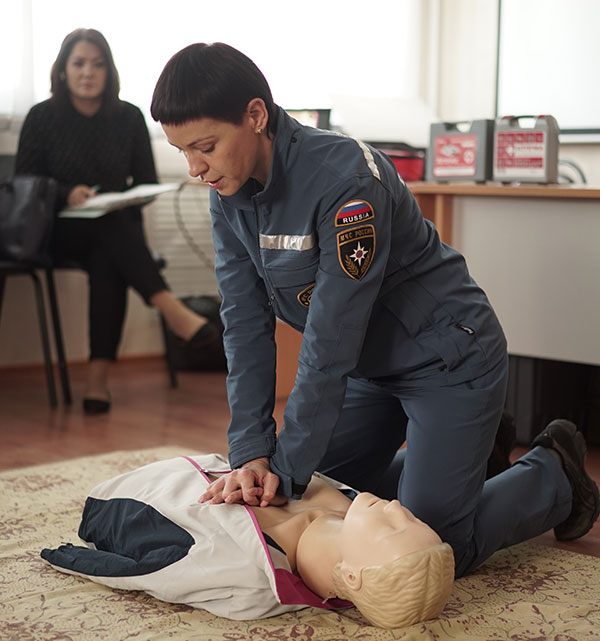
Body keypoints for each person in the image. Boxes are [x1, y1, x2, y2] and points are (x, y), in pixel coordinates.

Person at [149, 43, 600, 578]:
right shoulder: (229, 193)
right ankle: (471, 457)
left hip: (447, 361)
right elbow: (244, 323)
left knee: (420, 552)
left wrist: (287, 469)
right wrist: (252, 452)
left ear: (255, 115)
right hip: (370, 371)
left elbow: (329, 342)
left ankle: (554, 475)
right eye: (183, 152)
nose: (196, 168)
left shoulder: (346, 183)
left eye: (205, 147)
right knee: (319, 501)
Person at [15, 29, 217, 414]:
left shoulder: (129, 117)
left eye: (97, 63)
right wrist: (65, 193)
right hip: (56, 232)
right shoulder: (42, 117)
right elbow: (25, 183)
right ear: (62, 71)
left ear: (110, 71)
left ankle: (97, 383)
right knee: (112, 232)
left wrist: (123, 199)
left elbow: (145, 183)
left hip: (111, 233)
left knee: (109, 248)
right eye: (78, 63)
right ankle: (170, 310)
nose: (88, 72)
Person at [41, 454, 455, 628]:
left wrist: (71, 559)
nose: (398, 505)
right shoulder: (349, 510)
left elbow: (153, 574)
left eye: (392, 526)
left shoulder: (250, 578)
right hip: (211, 463)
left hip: (120, 503)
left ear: (352, 575)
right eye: (411, 516)